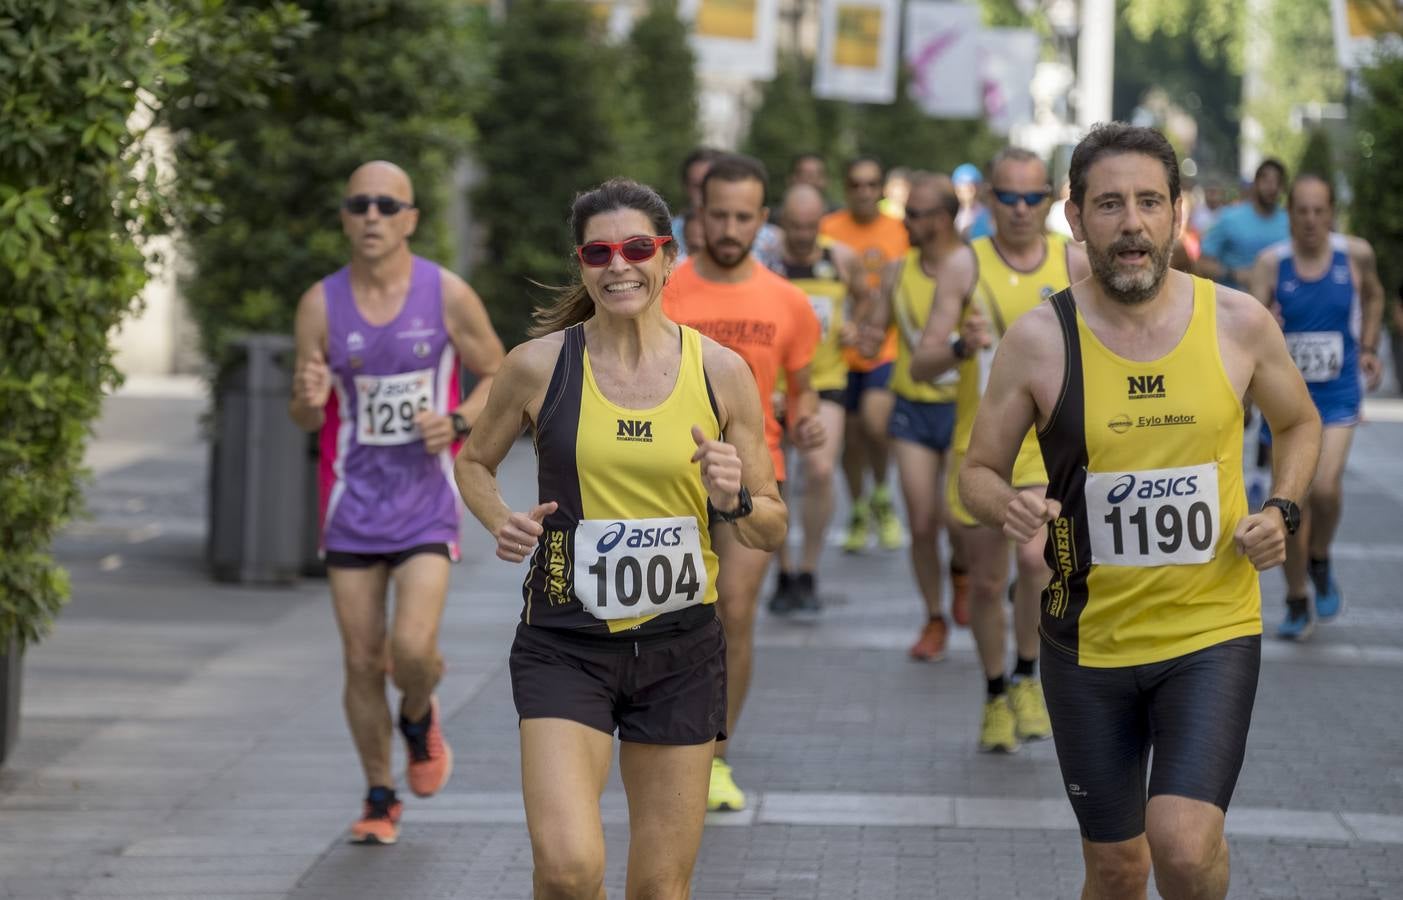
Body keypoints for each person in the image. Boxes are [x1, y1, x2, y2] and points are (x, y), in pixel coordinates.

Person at [960, 122, 1320, 900]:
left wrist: (1282, 509)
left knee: (1184, 850)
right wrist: (1008, 503)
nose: (1131, 224)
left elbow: (1298, 423)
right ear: (1075, 215)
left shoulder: (1238, 323)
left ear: (1178, 215)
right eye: (1111, 204)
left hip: (1210, 633)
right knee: (1118, 870)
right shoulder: (1037, 340)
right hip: (1085, 643)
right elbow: (976, 473)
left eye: (1149, 202)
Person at [454, 178, 786, 899]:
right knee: (570, 871)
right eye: (598, 251)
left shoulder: (722, 373)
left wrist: (729, 499)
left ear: (667, 258)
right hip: (564, 644)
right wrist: (497, 517)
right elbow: (473, 463)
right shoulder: (538, 365)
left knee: (659, 890)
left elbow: (769, 524)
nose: (618, 264)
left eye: (637, 247)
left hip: (681, 651)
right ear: (580, 264)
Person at [289, 160, 505, 845]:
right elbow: (303, 414)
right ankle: (380, 795)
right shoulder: (320, 304)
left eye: (388, 204)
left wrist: (461, 422)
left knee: (410, 648)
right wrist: (306, 395)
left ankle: (418, 710)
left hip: (426, 499)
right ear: (345, 217)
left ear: (411, 218)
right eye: (359, 204)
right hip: (351, 500)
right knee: (359, 660)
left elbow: (499, 374)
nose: (373, 216)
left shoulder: (446, 293)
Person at [911, 147, 1090, 753]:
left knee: (1038, 561)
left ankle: (1024, 672)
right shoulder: (966, 266)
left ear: (1052, 201)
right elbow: (922, 359)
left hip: (1047, 448)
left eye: (1032, 197)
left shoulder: (1075, 263)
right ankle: (994, 693)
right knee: (987, 582)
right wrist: (961, 346)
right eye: (1007, 198)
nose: (1019, 210)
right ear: (989, 199)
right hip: (982, 448)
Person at [663, 154, 825, 812]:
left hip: (755, 474)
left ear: (762, 221)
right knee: (671, 616)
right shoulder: (663, 290)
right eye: (717, 214)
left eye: (742, 216)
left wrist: (806, 421)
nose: (728, 228)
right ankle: (665, 743)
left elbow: (800, 389)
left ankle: (716, 756)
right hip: (665, 478)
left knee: (733, 611)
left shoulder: (786, 302)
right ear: (697, 215)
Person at [1249, 173, 1385, 640]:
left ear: (1331, 214)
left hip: (1338, 392)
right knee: (1290, 503)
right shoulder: (1271, 264)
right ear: (1289, 214)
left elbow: (1374, 295)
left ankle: (1321, 558)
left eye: (1318, 210)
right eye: (1301, 210)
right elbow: (1250, 327)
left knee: (1324, 489)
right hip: (1285, 400)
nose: (1310, 220)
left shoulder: (1356, 255)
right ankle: (1295, 599)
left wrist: (1368, 345)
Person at [865, 172, 965, 660]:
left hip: (969, 408)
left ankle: (964, 573)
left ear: (943, 220)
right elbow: (874, 330)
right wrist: (859, 334)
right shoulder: (897, 271)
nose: (905, 222)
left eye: (915, 214)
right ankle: (934, 617)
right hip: (912, 406)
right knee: (923, 523)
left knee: (958, 518)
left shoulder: (974, 269)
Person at [769, 183, 865, 616]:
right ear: (781, 221)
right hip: (774, 384)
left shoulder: (840, 258)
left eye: (811, 226)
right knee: (774, 479)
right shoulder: (766, 260)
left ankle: (808, 569)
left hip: (825, 379)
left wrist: (855, 327)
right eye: (795, 226)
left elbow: (868, 298)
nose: (804, 235)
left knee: (822, 468)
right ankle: (783, 572)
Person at [821, 155, 910, 554]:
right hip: (839, 350)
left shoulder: (898, 230)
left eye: (872, 184)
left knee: (876, 424)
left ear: (880, 190)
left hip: (884, 345)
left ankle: (881, 494)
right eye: (856, 184)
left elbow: (905, 287)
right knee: (850, 440)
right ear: (846, 188)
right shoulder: (829, 229)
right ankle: (858, 507)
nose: (864, 191)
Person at [671, 146, 785, 272]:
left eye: (743, 218)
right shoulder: (665, 233)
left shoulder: (772, 239)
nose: (730, 231)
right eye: (698, 186)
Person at [1197, 159, 1288, 290]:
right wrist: (1233, 274)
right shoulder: (1229, 217)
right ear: (1255, 184)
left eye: (1277, 182)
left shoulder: (1291, 222)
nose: (1272, 187)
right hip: (1236, 302)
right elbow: (1202, 263)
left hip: (1280, 306)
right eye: (1266, 181)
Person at [953, 162, 993, 240]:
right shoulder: (951, 214)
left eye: (971, 188)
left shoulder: (988, 215)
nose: (969, 193)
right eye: (965, 188)